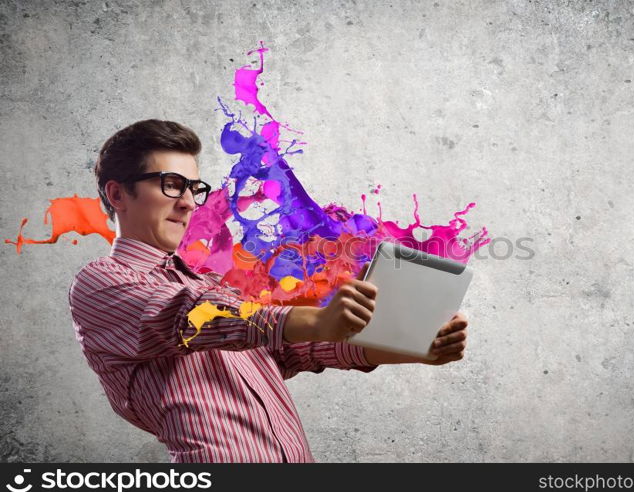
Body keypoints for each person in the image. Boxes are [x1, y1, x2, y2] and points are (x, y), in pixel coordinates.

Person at [68, 119, 469, 463]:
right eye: (172, 185)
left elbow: (295, 346)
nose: (189, 203)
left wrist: (415, 347)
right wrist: (317, 318)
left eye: (194, 188)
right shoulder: (101, 283)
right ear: (117, 194)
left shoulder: (208, 287)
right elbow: (190, 316)